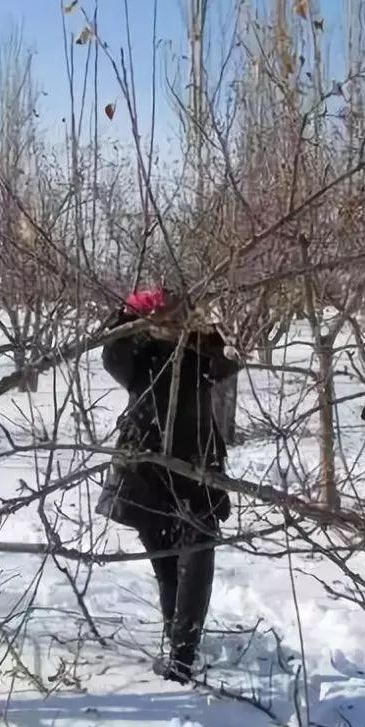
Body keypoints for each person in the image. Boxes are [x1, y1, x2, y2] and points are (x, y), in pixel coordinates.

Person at [97, 286, 241, 683]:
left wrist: (204, 330)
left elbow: (228, 361)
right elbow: (111, 351)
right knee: (165, 564)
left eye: (180, 315)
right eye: (166, 316)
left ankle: (183, 653)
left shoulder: (200, 353)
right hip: (147, 468)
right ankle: (173, 635)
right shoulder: (138, 355)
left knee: (197, 556)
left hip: (198, 465)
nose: (173, 323)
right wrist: (132, 314)